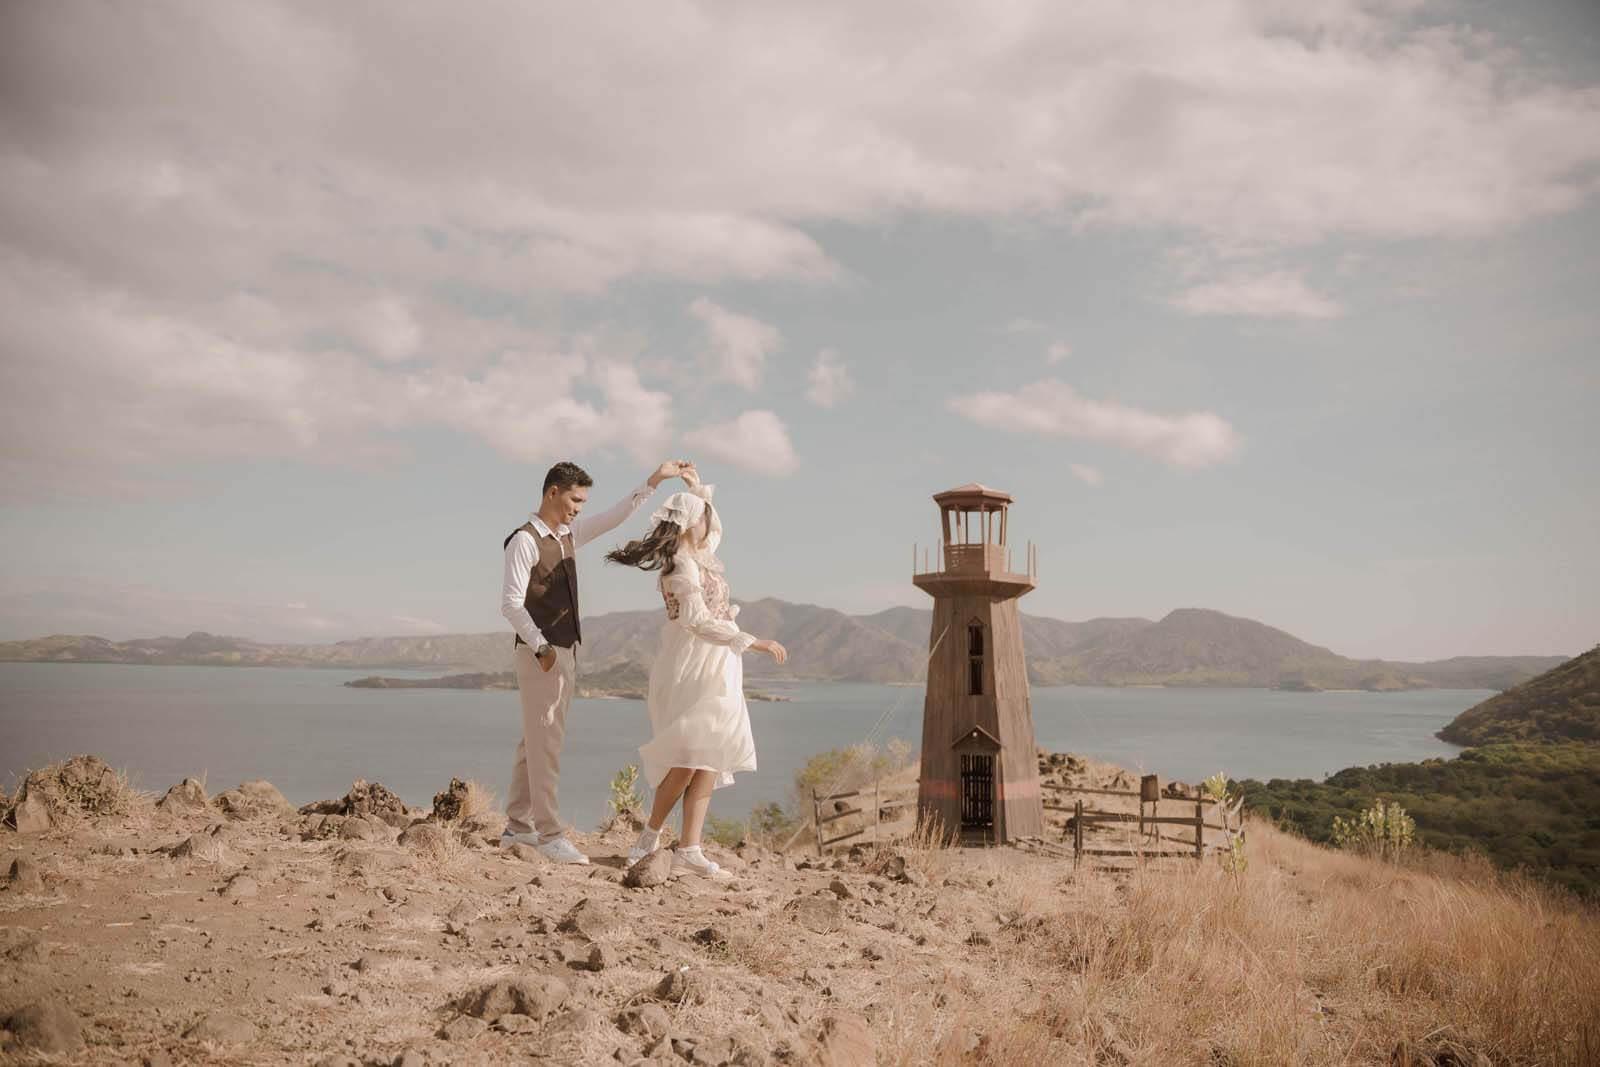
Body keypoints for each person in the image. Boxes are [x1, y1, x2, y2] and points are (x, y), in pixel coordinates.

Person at [499, 458, 692, 864]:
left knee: (535, 741)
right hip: (542, 653)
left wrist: (654, 481)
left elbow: (613, 518)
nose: (579, 509)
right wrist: (542, 648)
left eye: (583, 503)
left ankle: (517, 827)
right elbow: (511, 604)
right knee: (546, 744)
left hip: (563, 650)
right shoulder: (525, 541)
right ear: (553, 492)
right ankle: (549, 835)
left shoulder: (568, 535)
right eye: (575, 500)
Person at [605, 465, 787, 878]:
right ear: (691, 523)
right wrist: (752, 640)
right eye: (705, 517)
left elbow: (713, 531)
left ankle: (690, 847)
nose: (712, 523)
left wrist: (698, 491)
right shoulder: (682, 567)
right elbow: (696, 620)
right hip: (692, 663)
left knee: (710, 754)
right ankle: (648, 837)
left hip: (719, 663)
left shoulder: (700, 558)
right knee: (687, 756)